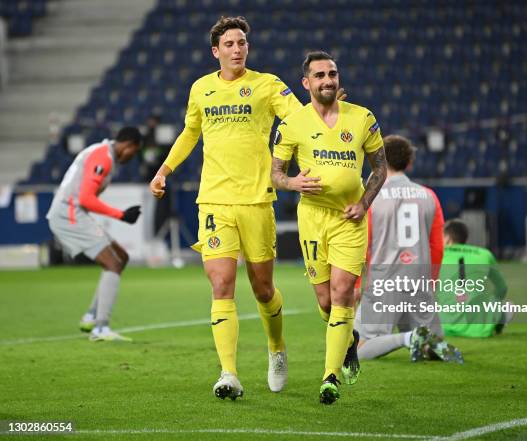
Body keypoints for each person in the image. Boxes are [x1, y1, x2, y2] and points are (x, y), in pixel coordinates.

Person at [149, 16, 331, 400]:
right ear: (216, 52)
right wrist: (164, 170)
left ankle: (277, 348)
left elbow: (298, 118)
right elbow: (190, 133)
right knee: (221, 284)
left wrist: (323, 109)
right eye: (229, 44)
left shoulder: (267, 85)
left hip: (256, 199)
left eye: (242, 43)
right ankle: (228, 373)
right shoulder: (201, 89)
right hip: (214, 199)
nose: (237, 49)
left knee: (263, 290)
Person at [271, 51, 387, 405]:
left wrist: (364, 204)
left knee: (341, 294)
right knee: (325, 302)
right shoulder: (292, 124)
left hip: (349, 220)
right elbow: (275, 174)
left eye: (332, 74)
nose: (327, 80)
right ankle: (348, 338)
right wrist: (293, 184)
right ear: (306, 83)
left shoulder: (363, 117)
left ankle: (329, 377)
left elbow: (379, 168)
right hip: (312, 219)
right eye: (319, 75)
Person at [354, 135, 463, 363]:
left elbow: (361, 245)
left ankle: (407, 338)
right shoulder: (429, 196)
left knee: (358, 347)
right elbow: (437, 247)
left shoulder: (371, 197)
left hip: (385, 282)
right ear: (410, 163)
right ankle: (425, 341)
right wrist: (431, 282)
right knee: (431, 344)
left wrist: (356, 285)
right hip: (419, 279)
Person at [46, 127, 143, 342]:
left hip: (74, 212)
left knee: (121, 257)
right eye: (133, 152)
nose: (132, 156)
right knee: (112, 264)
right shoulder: (104, 157)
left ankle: (90, 316)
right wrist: (121, 215)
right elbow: (86, 199)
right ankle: (100, 328)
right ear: (127, 145)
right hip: (68, 214)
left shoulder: (103, 153)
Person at [436, 219, 510, 337]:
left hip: (442, 327)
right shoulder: (484, 254)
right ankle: (498, 321)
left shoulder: (436, 254)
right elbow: (502, 288)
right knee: (498, 303)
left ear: (448, 238)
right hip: (479, 330)